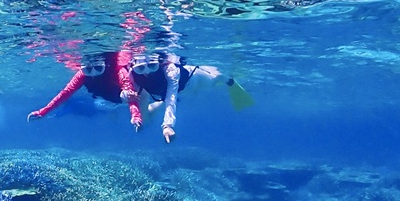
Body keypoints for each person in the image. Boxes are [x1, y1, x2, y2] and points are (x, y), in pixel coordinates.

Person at [29, 51, 252, 144]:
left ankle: (231, 81)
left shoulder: (170, 71)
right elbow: (128, 90)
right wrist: (127, 102)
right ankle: (151, 111)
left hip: (192, 81)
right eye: (141, 65)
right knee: (144, 124)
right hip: (158, 95)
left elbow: (171, 96)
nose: (145, 71)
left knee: (217, 79)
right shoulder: (131, 72)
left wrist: (167, 126)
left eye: (151, 65)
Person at [26, 51, 144, 131]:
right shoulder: (81, 75)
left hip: (122, 94)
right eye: (88, 70)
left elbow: (130, 94)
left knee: (126, 94)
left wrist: (136, 116)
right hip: (104, 96)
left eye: (98, 68)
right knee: (108, 104)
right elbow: (65, 94)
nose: (93, 74)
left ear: (106, 65)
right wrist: (43, 112)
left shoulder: (119, 71)